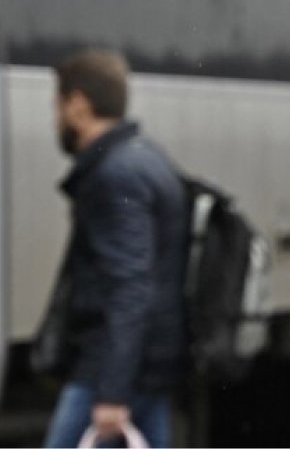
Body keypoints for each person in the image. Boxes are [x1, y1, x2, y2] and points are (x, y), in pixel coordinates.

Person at [39, 50, 187, 448]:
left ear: (78, 105)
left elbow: (130, 285)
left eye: (58, 106)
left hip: (108, 369)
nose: (56, 119)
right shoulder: (147, 158)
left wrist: (112, 391)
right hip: (148, 362)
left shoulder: (115, 175)